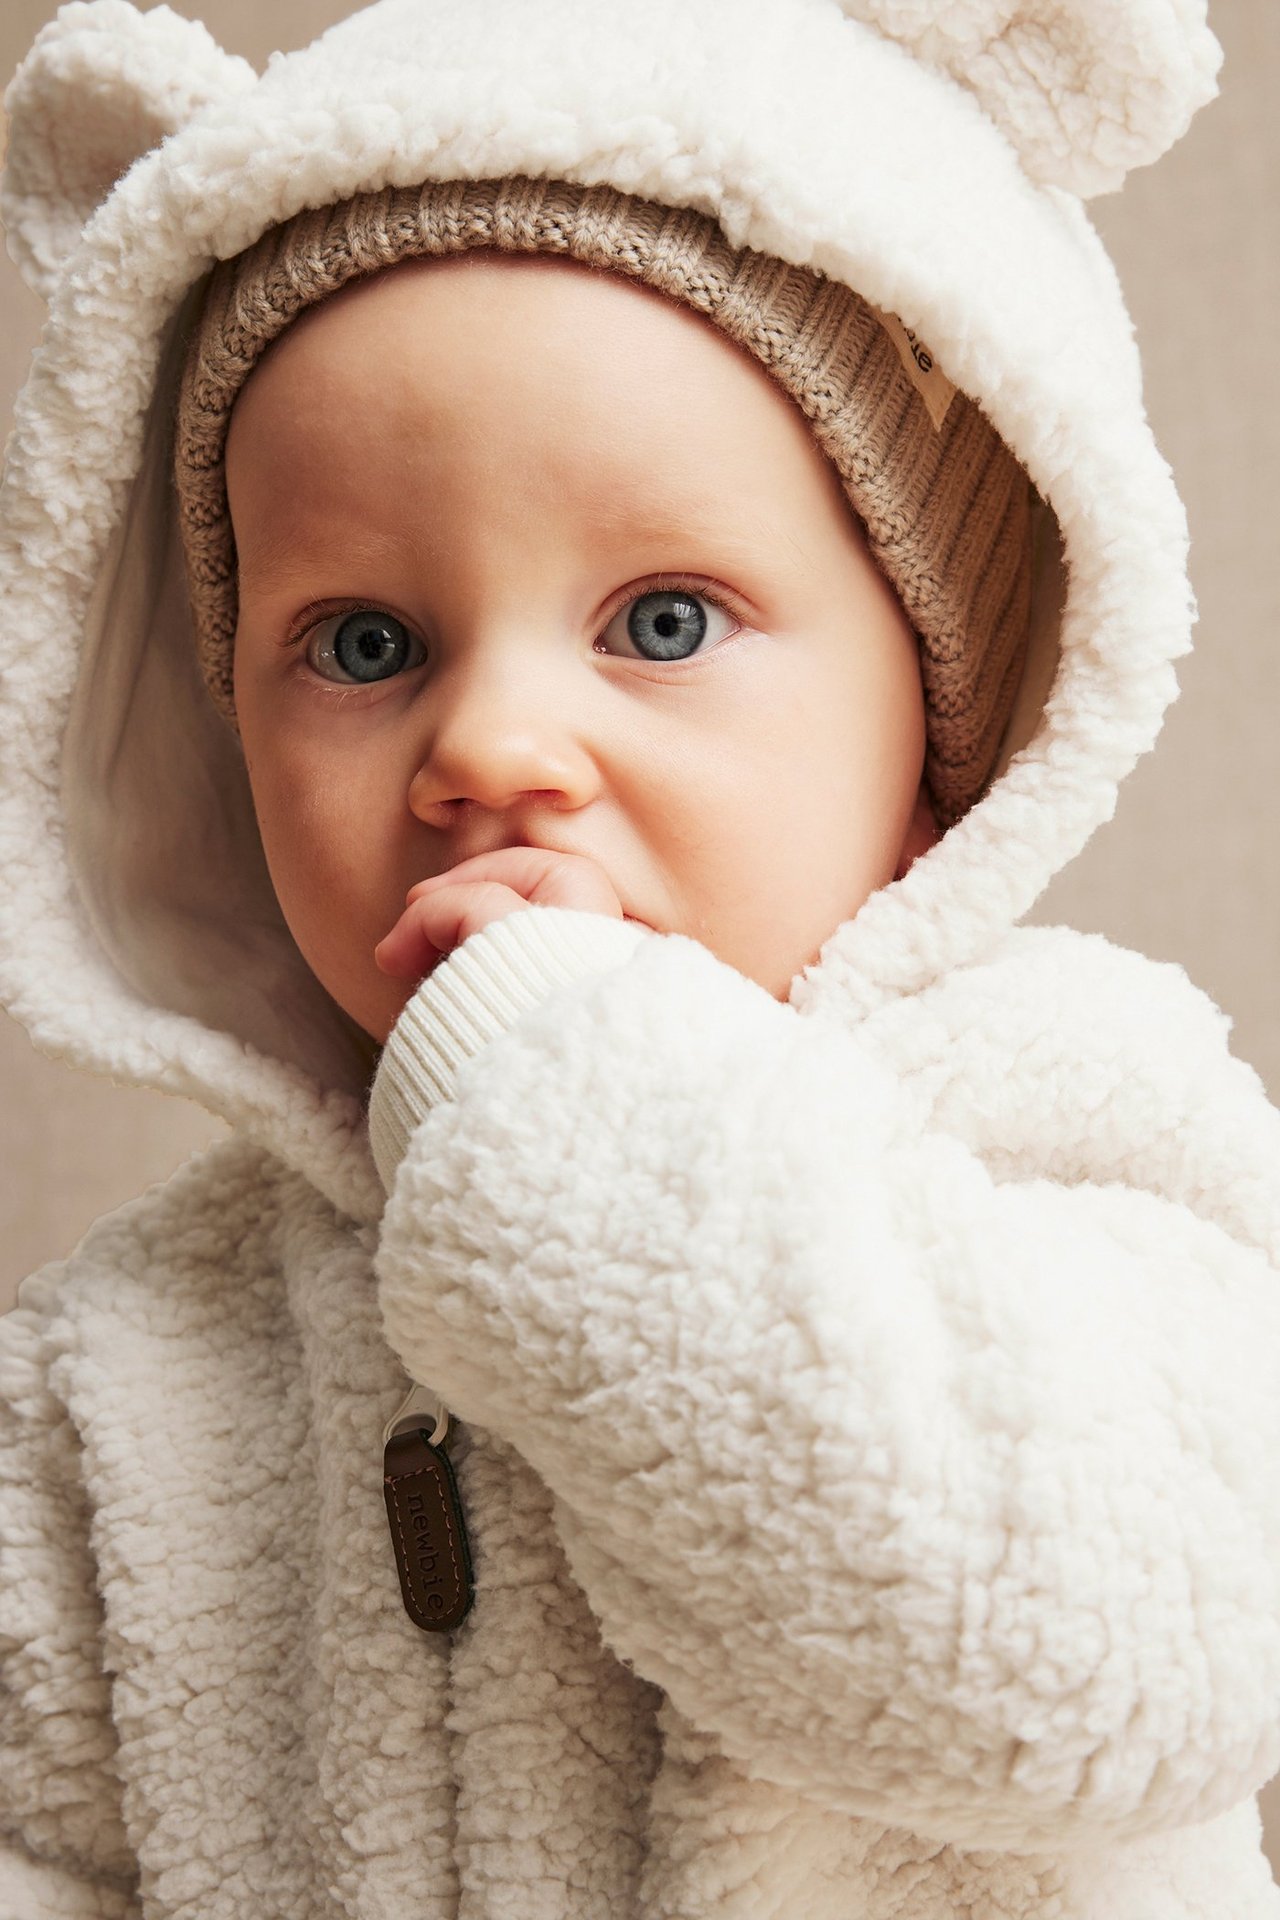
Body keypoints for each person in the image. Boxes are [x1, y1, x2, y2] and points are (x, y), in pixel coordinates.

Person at [2, 0, 1279, 1915]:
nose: (489, 749)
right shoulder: (133, 1358)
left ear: (941, 722)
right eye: (365, 645)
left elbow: (1087, 1671)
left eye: (661, 618)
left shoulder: (1077, 1142)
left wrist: (571, 1100)